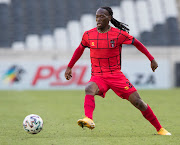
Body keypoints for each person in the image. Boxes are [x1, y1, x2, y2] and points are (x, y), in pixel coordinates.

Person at [64, 6, 171, 135]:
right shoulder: (88, 35)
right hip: (98, 76)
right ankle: (88, 119)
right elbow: (79, 50)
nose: (98, 19)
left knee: (138, 102)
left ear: (109, 18)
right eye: (97, 16)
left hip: (116, 76)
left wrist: (151, 59)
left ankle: (160, 129)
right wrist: (70, 66)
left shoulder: (118, 34)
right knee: (88, 89)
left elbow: (137, 43)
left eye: (102, 16)